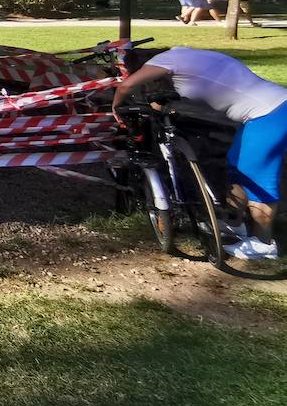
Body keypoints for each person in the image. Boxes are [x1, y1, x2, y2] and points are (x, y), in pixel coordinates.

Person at [114, 47, 287, 260]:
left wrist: (117, 106)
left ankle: (264, 244)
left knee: (256, 179)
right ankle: (234, 223)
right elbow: (160, 103)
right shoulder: (184, 56)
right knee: (235, 167)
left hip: (269, 115)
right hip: (270, 108)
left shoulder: (165, 62)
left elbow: (127, 85)